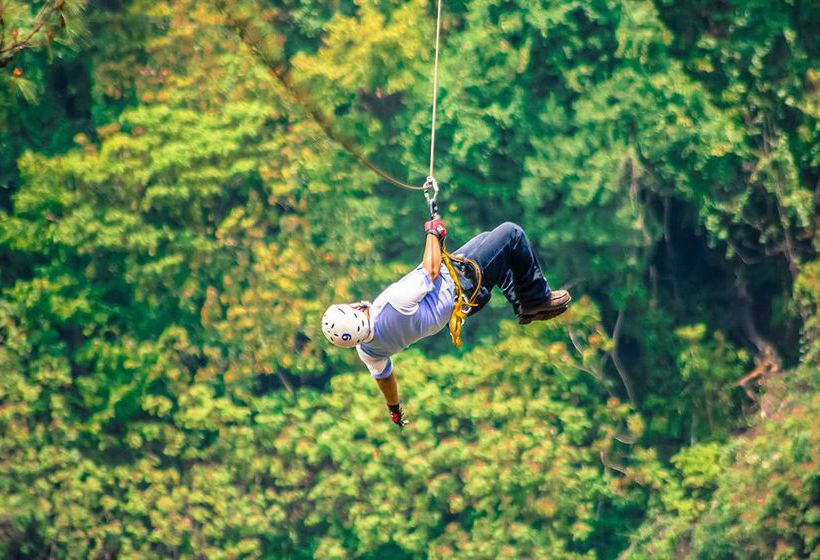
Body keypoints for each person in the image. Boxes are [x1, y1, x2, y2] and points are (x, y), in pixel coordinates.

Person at [321, 217, 571, 427]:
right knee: (511, 234)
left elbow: (385, 378)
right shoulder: (394, 304)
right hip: (466, 283)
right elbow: (430, 269)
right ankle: (536, 299)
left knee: (490, 241)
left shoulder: (369, 351)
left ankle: (522, 305)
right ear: (356, 309)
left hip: (461, 301)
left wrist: (394, 409)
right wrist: (432, 233)